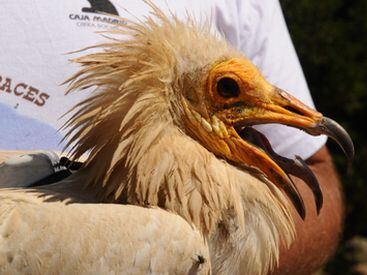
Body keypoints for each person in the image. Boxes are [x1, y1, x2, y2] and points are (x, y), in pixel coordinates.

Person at [0, 0, 342, 273]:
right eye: (227, 90)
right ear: (177, 99)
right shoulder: (168, 241)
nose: (306, 120)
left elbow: (314, 163)